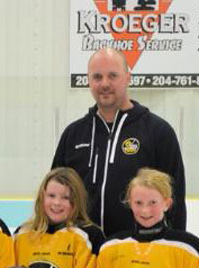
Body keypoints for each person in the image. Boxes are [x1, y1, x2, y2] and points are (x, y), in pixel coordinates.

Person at [52, 48, 186, 237]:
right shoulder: (73, 135)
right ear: (88, 80)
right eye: (97, 77)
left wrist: (174, 246)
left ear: (128, 77)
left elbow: (175, 199)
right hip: (82, 252)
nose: (105, 83)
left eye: (113, 75)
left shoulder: (158, 132)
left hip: (137, 255)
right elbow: (54, 194)